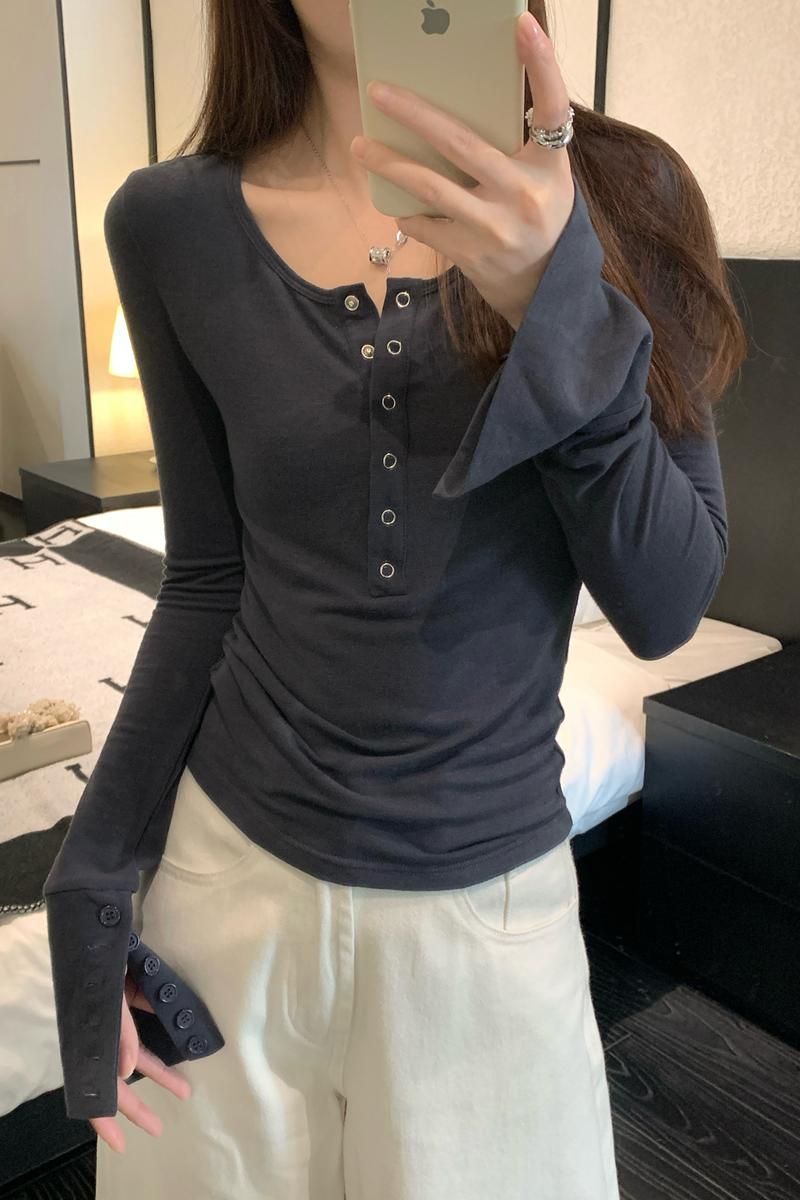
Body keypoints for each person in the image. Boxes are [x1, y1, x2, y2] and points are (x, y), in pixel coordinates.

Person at [43, 2, 745, 1198]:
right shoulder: (167, 222)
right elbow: (207, 576)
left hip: (489, 913)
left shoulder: (627, 196)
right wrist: (92, 877)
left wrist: (551, 296)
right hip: (223, 888)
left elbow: (665, 604)